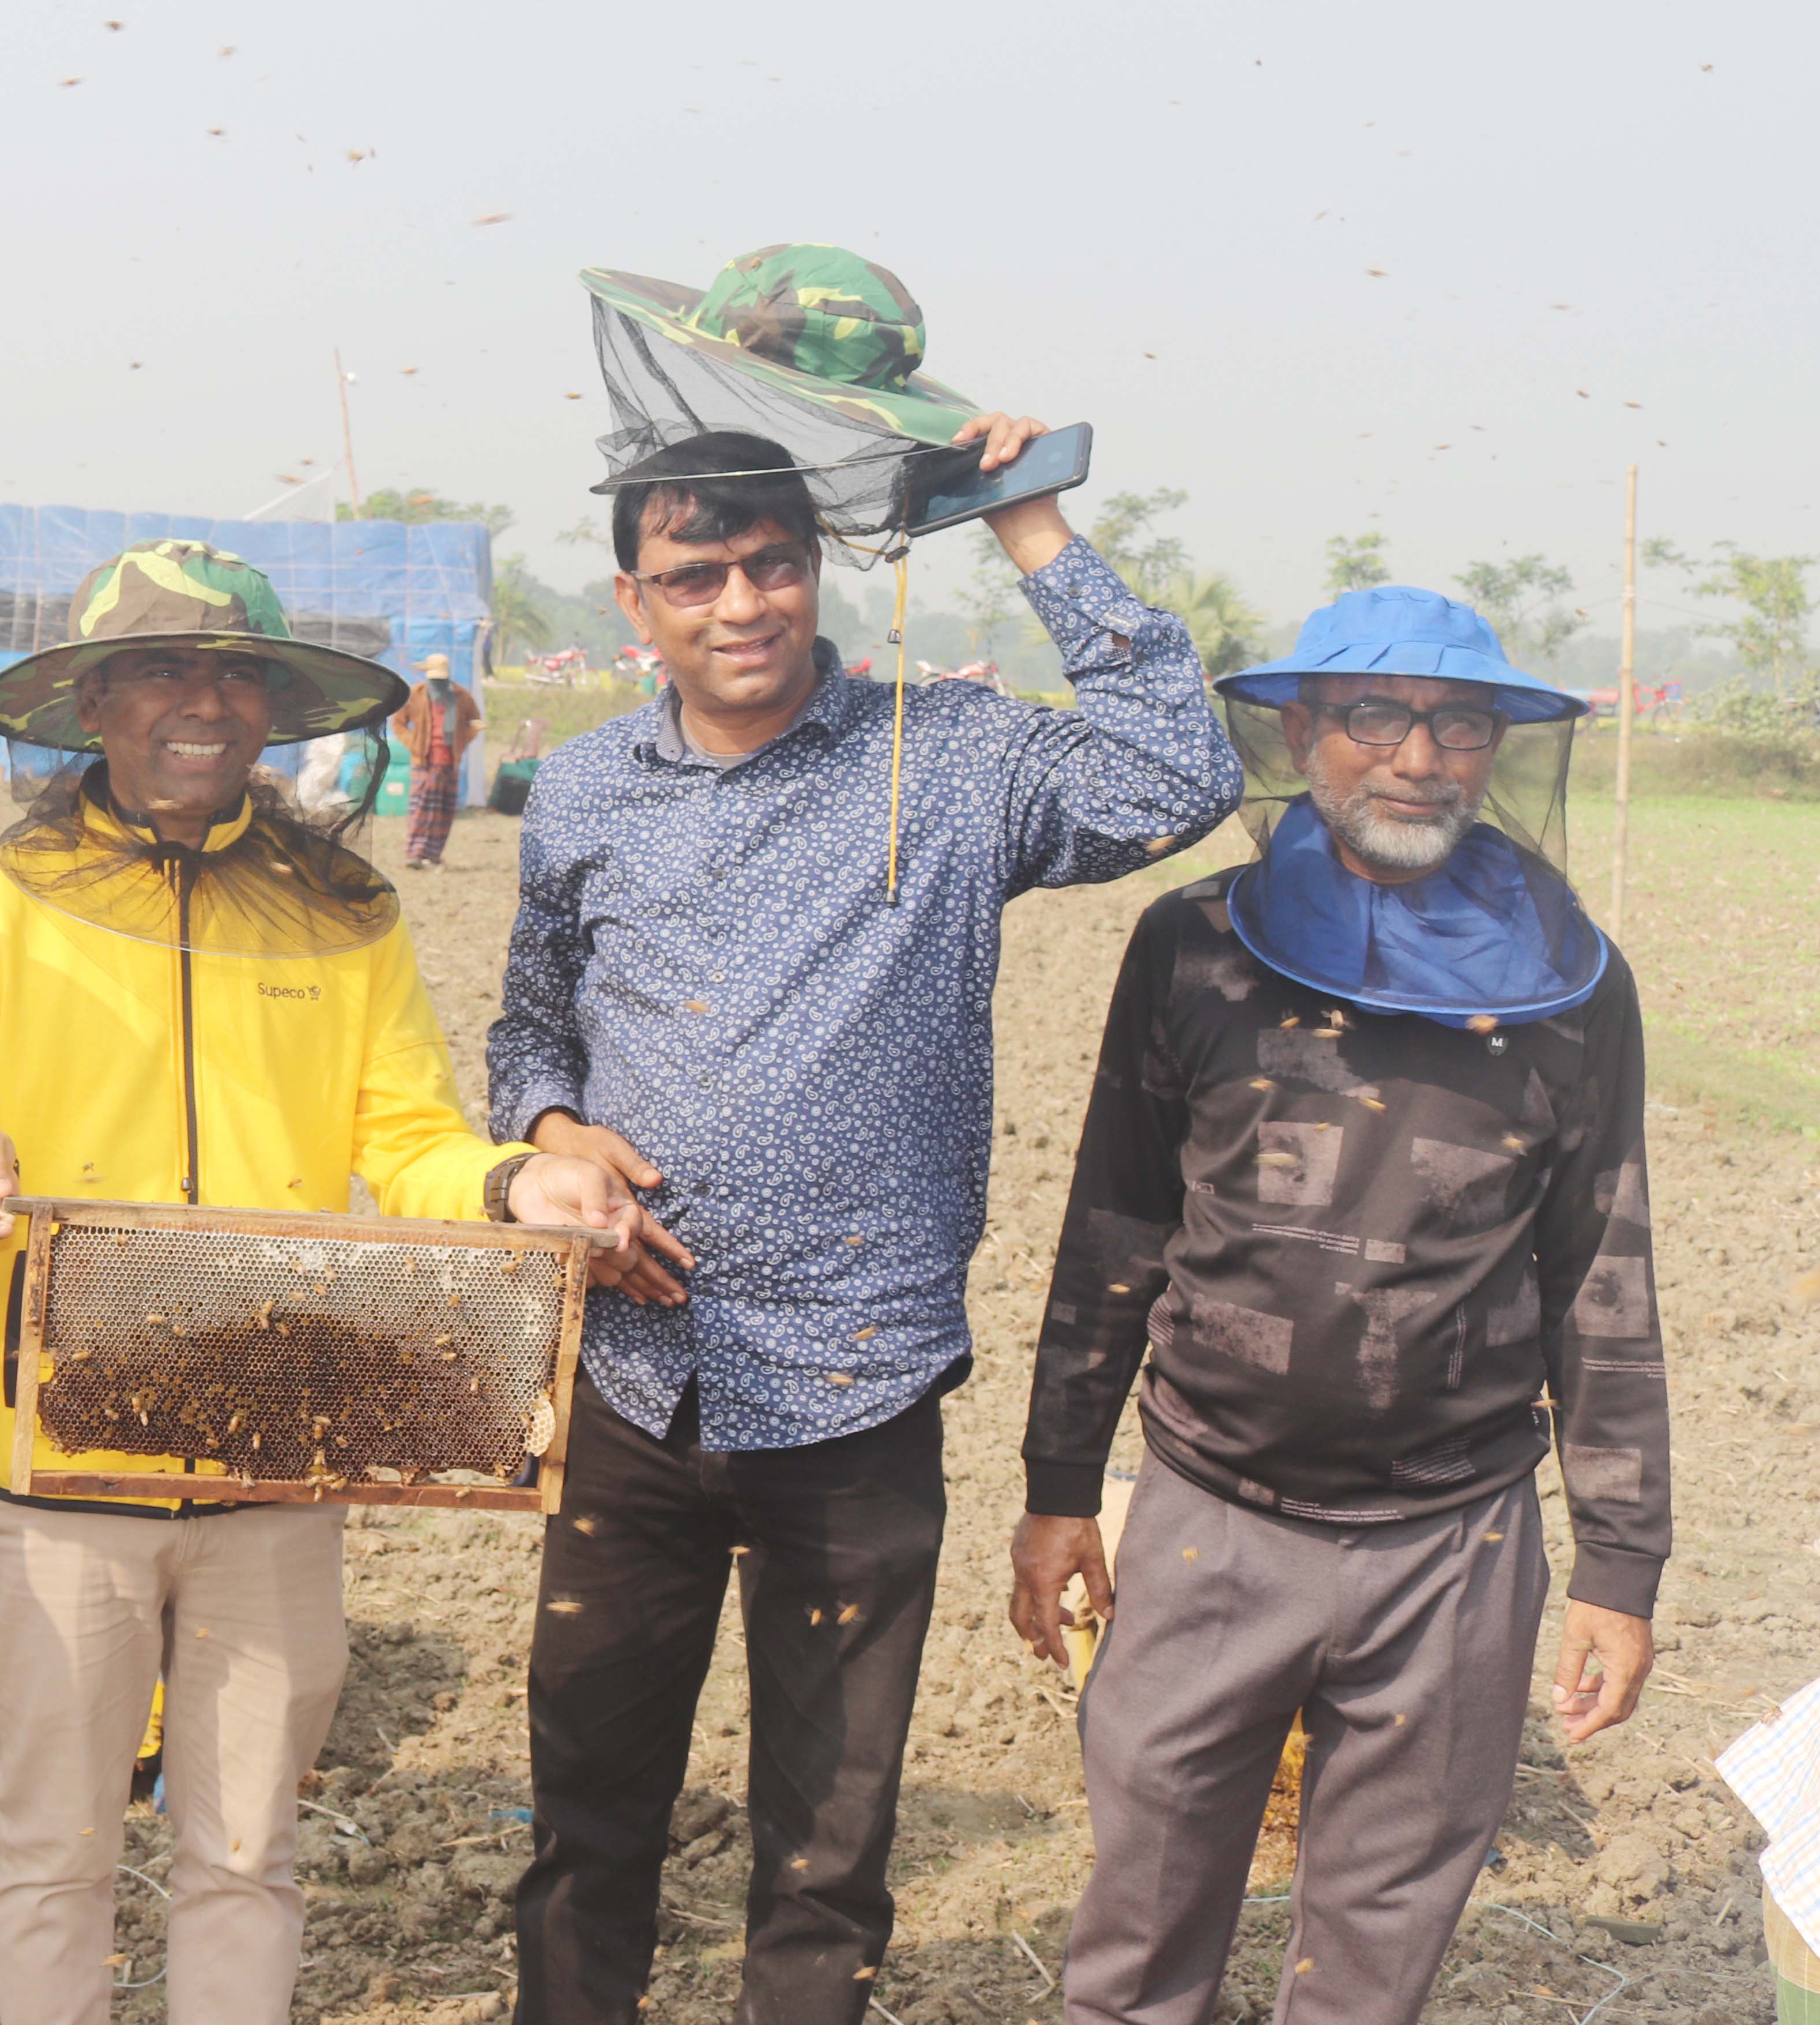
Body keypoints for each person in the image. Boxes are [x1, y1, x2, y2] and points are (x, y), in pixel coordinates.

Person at [488, 353, 1242, 2016]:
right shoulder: (593, 788)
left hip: (856, 1391)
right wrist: (548, 1137)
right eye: (696, 574)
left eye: (773, 562)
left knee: (829, 1852)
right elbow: (529, 1021)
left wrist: (1034, 522)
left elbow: (1180, 775)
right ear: (638, 599)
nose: (740, 603)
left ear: (819, 569)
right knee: (588, 1815)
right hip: (631, 1377)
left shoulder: (949, 760)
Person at [0, 539, 675, 2025]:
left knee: (246, 1845)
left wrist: (516, 1181)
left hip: (276, 1456)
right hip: (55, 1463)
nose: (202, 701)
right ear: (97, 701)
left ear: (271, 707)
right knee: (53, 1843)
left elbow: (408, 1137)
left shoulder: (341, 910)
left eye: (234, 671)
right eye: (164, 669)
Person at [1012, 588, 1666, 2024]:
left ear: (1497, 747)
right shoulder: (1190, 945)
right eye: (1373, 716)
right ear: (1302, 732)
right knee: (1139, 1925)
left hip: (1455, 1534)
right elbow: (1111, 1223)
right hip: (1207, 1515)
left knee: (1372, 1953)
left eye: (1456, 722)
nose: (1415, 757)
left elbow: (1599, 1270)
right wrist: (1058, 1480)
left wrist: (1618, 1563)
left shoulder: (1571, 986)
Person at [392, 650, 483, 869]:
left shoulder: (462, 697)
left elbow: (475, 722)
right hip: (424, 762)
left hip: (450, 763)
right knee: (421, 809)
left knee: (443, 811)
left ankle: (433, 855)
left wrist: (463, 739)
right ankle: (414, 854)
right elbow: (398, 724)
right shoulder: (415, 695)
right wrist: (414, 744)